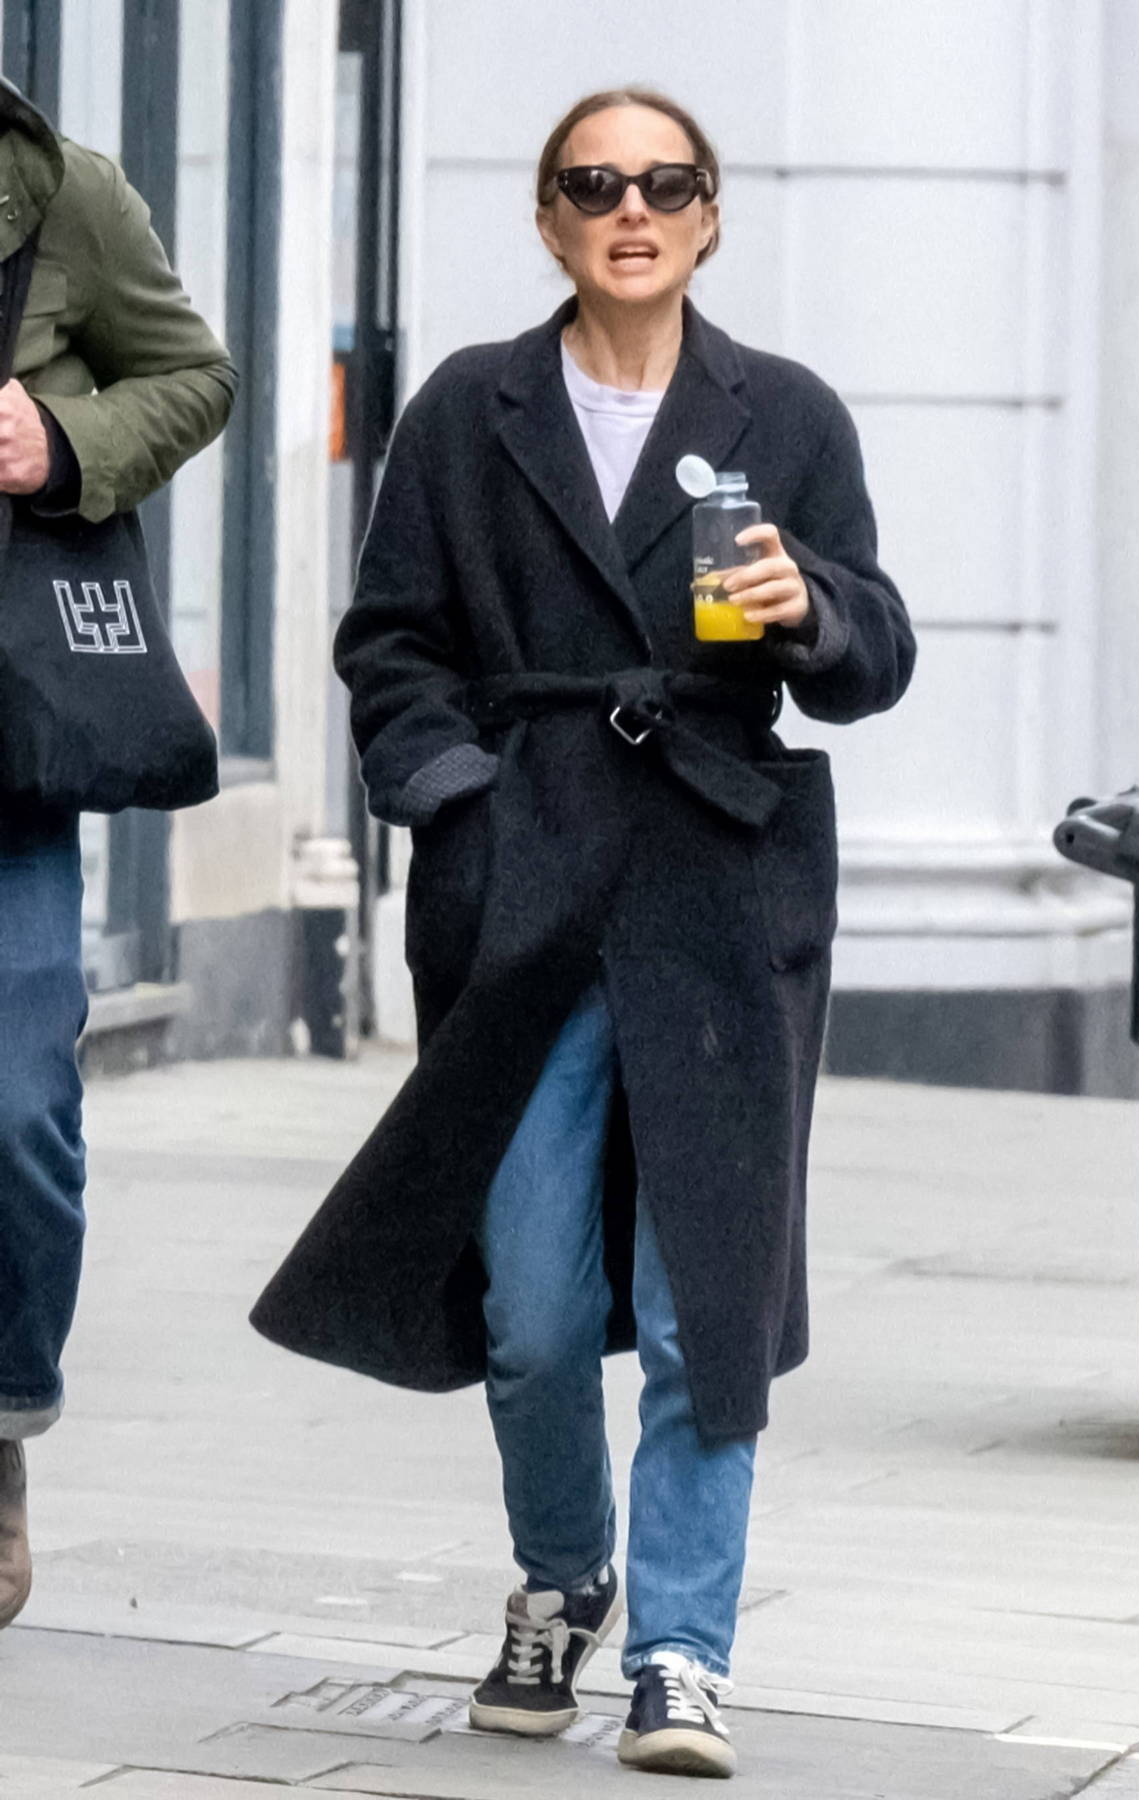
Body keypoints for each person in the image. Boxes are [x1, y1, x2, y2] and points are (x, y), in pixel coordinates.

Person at [253, 87, 914, 1779]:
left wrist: (812, 611)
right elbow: (388, 641)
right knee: (536, 1307)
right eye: (595, 183)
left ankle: (682, 1657)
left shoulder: (790, 414)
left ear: (710, 217)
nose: (634, 207)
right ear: (550, 221)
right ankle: (564, 1577)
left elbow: (879, 647)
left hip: (718, 868)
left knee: (705, 1297)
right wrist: (462, 795)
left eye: (667, 182)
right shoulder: (473, 411)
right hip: (527, 872)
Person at [0, 77, 236, 1629]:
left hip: (4, 751)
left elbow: (195, 377)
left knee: (16, 1104)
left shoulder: (64, 189)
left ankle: (1, 1416)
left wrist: (57, 437)